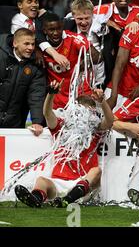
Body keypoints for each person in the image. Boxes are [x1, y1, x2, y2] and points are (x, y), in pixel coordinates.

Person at [14, 79, 114, 208]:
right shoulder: (61, 128)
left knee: (96, 171)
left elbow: (110, 121)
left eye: (89, 113)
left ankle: (68, 199)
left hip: (83, 183)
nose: (84, 117)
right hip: (58, 182)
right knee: (41, 181)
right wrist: (51, 94)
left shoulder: (95, 131)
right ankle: (36, 199)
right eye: (81, 113)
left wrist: (102, 101)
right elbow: (47, 113)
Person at [42, 13, 96, 110]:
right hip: (57, 99)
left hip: (80, 94)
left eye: (58, 29)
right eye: (51, 30)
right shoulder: (41, 49)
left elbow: (97, 56)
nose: (55, 33)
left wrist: (86, 59)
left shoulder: (72, 39)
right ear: (44, 31)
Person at [0, 28, 45, 136]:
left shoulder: (36, 66)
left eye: (33, 44)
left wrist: (37, 122)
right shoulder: (1, 57)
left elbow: (36, 95)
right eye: (26, 44)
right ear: (15, 43)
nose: (30, 48)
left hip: (14, 123)